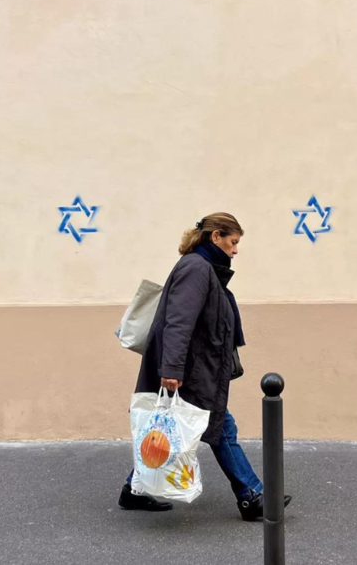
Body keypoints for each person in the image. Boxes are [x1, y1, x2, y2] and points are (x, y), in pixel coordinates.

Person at [118, 212, 292, 521]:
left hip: (193, 367)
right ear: (216, 237)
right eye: (233, 242)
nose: (236, 250)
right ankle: (251, 496)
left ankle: (134, 489)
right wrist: (171, 370)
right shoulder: (197, 269)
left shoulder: (201, 267)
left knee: (173, 429)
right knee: (221, 428)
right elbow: (178, 322)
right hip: (189, 370)